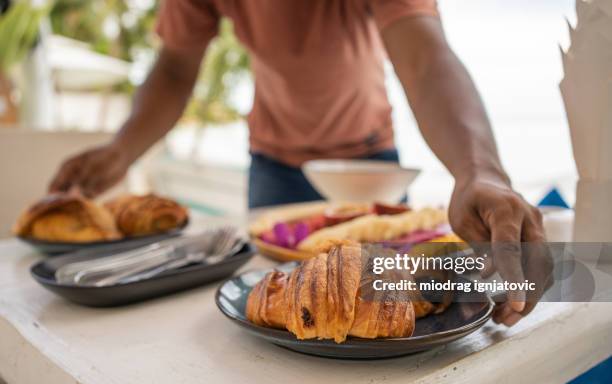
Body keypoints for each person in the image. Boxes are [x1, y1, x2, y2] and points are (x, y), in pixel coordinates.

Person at [49, 0, 546, 326]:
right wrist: (121, 150)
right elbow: (177, 65)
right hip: (273, 165)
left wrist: (480, 170)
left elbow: (424, 57)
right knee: (282, 319)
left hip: (370, 162)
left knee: (398, 307)